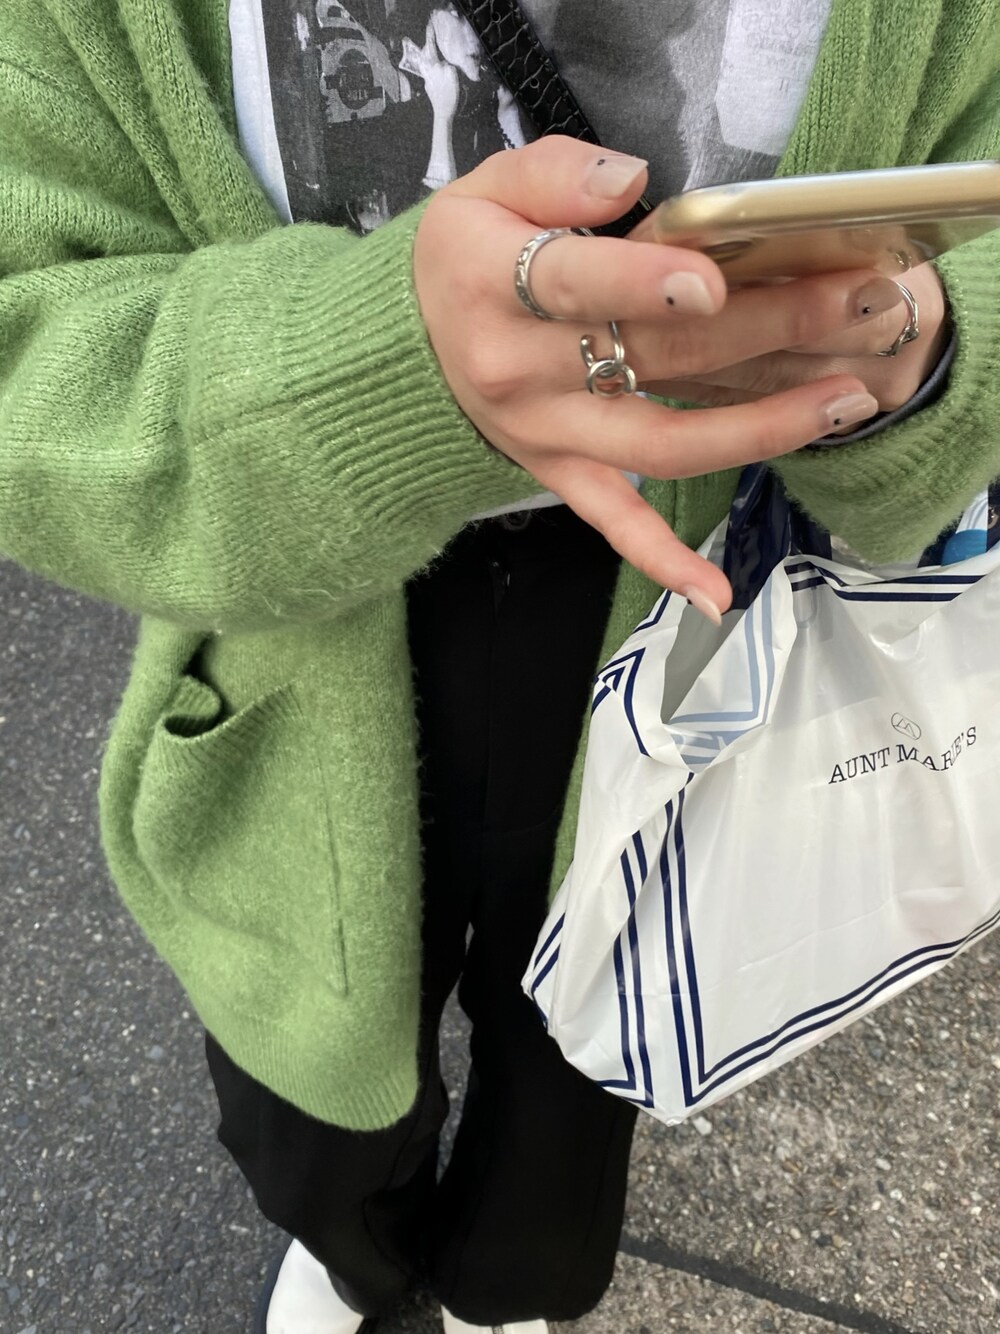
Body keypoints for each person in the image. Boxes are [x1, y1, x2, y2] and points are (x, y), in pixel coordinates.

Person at [1, 1, 997, 1331]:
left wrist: (919, 354)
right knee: (313, 1109)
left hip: (674, 623)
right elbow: (31, 343)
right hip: (297, 619)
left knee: (576, 1083)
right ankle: (363, 1262)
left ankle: (502, 1286)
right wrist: (381, 371)